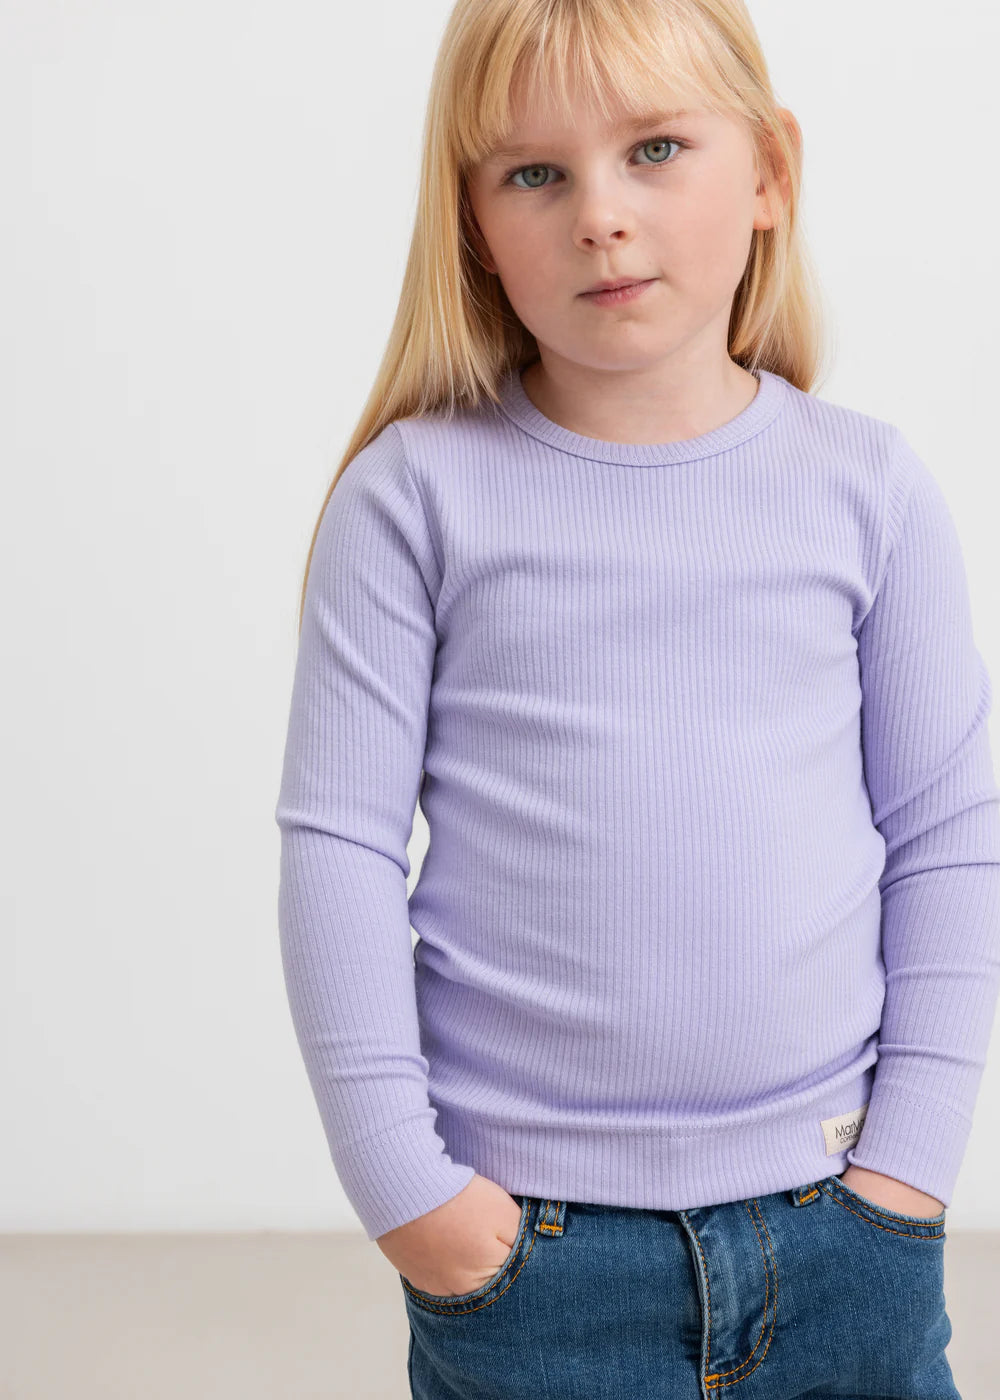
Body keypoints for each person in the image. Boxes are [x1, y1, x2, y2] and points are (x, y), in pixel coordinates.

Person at [274, 1, 999, 1394]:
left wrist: (909, 1168)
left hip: (841, 1227)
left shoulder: (869, 491)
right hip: (532, 1260)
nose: (600, 215)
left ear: (771, 171)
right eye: (533, 173)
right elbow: (339, 850)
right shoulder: (414, 499)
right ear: (475, 223)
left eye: (656, 148)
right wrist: (410, 1198)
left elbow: (948, 837)